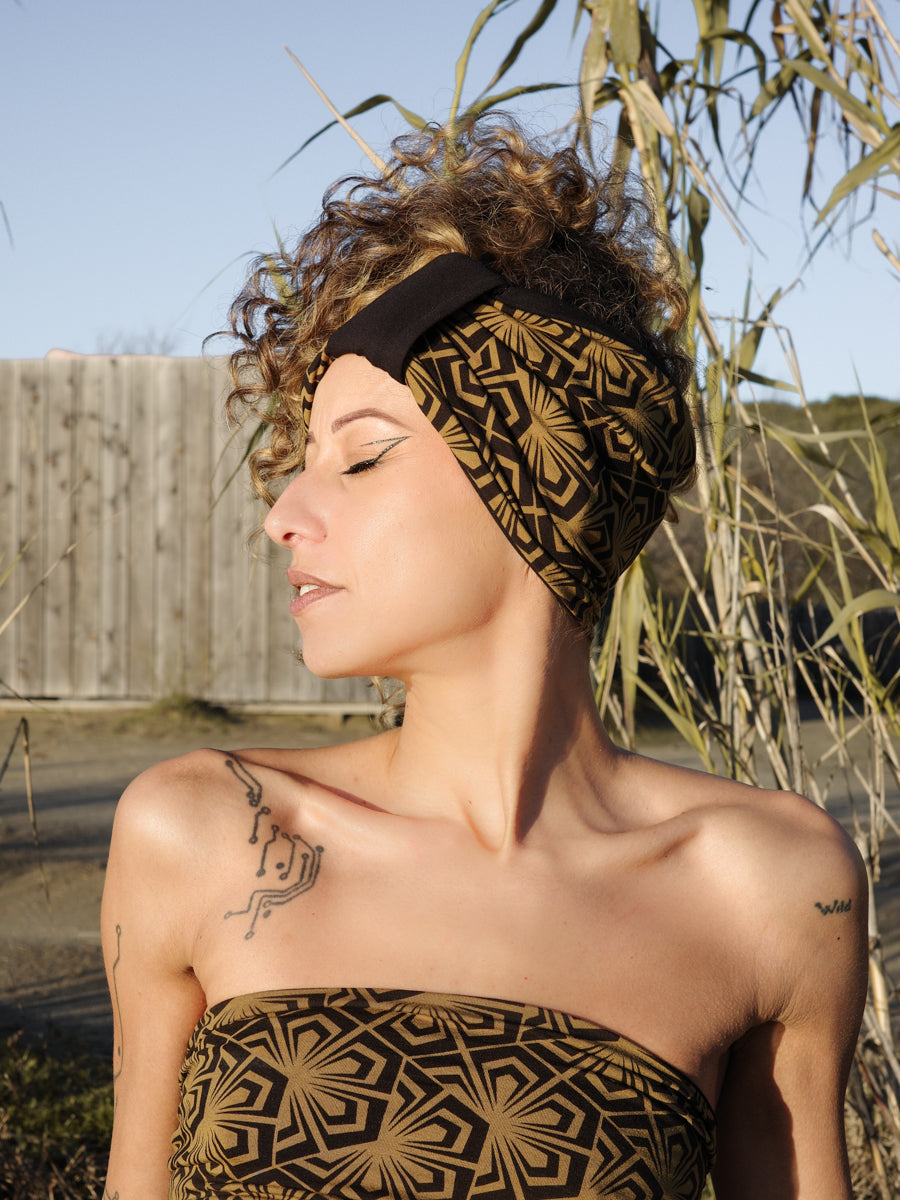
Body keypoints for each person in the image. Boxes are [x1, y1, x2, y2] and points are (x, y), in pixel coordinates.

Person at [101, 115, 868, 1200]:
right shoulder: (201, 833)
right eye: (304, 462)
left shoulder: (772, 890)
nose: (285, 514)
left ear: (544, 481)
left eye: (363, 458)